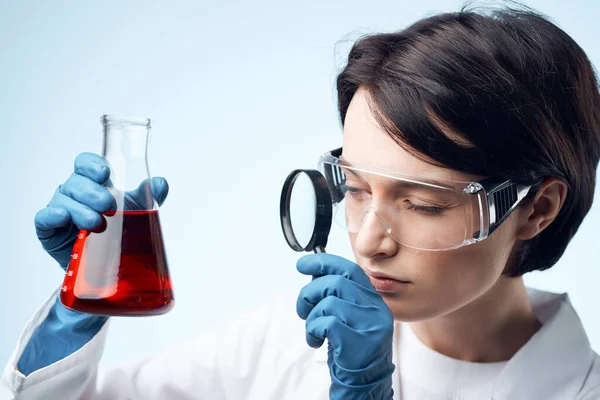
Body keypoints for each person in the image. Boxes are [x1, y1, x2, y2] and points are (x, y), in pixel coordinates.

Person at [2, 5, 600, 400]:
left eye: (421, 203)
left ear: (537, 209)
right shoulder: (283, 343)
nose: (368, 241)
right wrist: (82, 296)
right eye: (357, 189)